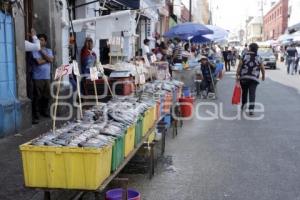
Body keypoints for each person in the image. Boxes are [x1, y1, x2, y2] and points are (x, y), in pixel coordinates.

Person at [236, 43, 265, 116]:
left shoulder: (244, 56)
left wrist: (237, 75)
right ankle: (251, 110)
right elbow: (262, 67)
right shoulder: (258, 57)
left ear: (250, 48)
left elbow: (239, 66)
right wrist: (263, 75)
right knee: (252, 94)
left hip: (244, 77)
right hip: (254, 78)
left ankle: (243, 106)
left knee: (244, 92)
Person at [32, 34, 54, 123]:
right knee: (37, 96)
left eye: (42, 40)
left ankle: (44, 111)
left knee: (47, 95)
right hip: (37, 77)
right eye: (39, 40)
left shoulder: (49, 50)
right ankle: (36, 114)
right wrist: (47, 58)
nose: (40, 42)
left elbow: (51, 60)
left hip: (47, 77)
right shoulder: (34, 50)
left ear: (45, 42)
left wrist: (44, 56)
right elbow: (38, 62)